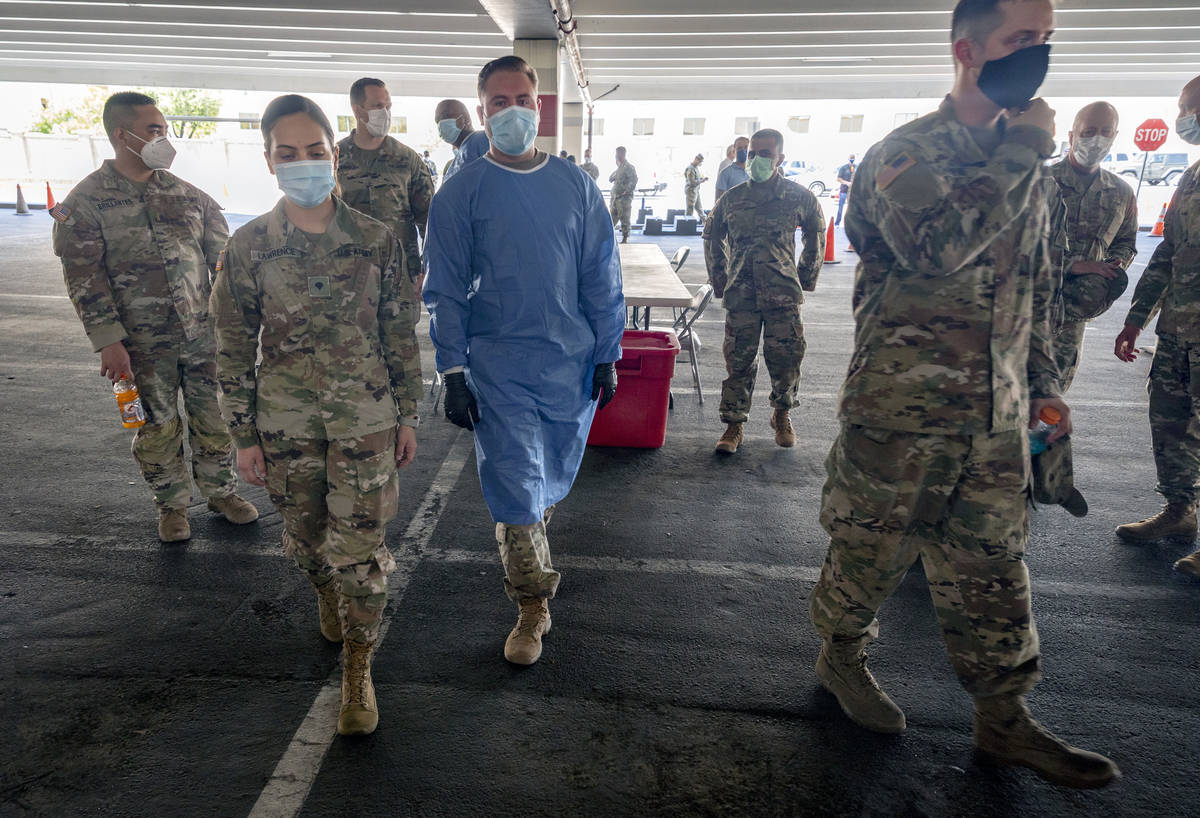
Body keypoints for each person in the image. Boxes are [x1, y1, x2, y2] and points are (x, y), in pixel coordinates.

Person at [807, 0, 1119, 789]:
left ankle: (1003, 718)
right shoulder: (904, 154)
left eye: (1046, 41)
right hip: (900, 417)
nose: (1038, 56)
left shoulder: (1031, 167)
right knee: (868, 558)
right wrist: (1021, 151)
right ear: (966, 50)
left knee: (993, 566)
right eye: (1022, 40)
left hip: (997, 419)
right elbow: (939, 245)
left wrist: (1047, 400)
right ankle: (841, 656)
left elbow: (1038, 292)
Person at [211, 94, 422, 737]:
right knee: (306, 542)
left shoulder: (376, 238)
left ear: (334, 154)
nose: (303, 163)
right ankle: (325, 594)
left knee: (359, 551)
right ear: (269, 161)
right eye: (288, 153)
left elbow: (399, 333)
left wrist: (407, 415)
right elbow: (229, 345)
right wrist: (242, 435)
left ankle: (358, 668)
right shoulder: (248, 247)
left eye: (315, 151)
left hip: (364, 422)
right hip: (286, 426)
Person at [423, 55, 625, 667]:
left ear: (540, 106)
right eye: (499, 103)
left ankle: (529, 546)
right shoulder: (461, 193)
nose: (513, 112)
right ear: (481, 110)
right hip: (498, 366)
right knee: (515, 489)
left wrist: (608, 353)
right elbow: (447, 289)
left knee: (548, 483)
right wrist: (452, 370)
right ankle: (532, 604)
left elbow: (600, 275)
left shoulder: (576, 186)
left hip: (569, 362)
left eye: (524, 100)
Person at [52, 91, 257, 543]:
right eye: (153, 130)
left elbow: (224, 264)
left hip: (202, 336)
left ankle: (221, 492)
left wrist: (235, 324)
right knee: (154, 425)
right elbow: (84, 278)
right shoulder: (85, 203)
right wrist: (108, 341)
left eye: (164, 129)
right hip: (139, 346)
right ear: (120, 136)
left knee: (214, 418)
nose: (163, 138)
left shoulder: (188, 196)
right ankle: (171, 505)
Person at [1114, 75, 1200, 569]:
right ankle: (1180, 510)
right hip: (1177, 332)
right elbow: (1167, 253)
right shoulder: (1191, 175)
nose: (1181, 117)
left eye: (1187, 108)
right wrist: (1136, 319)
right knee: (1169, 424)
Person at [703, 129, 824, 454]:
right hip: (742, 292)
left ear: (780, 158)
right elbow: (712, 235)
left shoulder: (798, 196)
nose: (755, 159)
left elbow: (816, 231)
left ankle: (781, 415)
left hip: (782, 294)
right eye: (751, 153)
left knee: (786, 357)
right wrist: (720, 278)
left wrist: (804, 276)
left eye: (763, 153)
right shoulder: (732, 198)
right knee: (738, 360)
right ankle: (733, 425)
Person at [1049, 102, 1136, 392]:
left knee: (1053, 399)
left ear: (1114, 136)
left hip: (1075, 315)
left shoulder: (1121, 192)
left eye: (1105, 132)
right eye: (1089, 131)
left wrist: (1114, 265)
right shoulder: (1040, 182)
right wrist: (1074, 265)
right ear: (1072, 136)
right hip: (1029, 307)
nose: (1097, 139)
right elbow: (1012, 249)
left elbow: (1126, 242)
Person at [335, 78, 432, 308]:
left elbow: (429, 219)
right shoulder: (335, 159)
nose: (386, 113)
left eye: (388, 107)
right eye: (378, 107)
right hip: (346, 276)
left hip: (399, 277)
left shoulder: (407, 159)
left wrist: (426, 268)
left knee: (400, 343)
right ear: (357, 110)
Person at [435, 98, 491, 182]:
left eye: (445, 116)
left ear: (465, 119)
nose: (440, 123)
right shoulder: (459, 157)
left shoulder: (484, 140)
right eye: (437, 120)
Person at [608, 146, 638, 244]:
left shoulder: (629, 167)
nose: (616, 156)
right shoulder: (620, 168)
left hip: (624, 199)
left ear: (622, 154)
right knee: (611, 219)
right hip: (615, 198)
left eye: (617, 153)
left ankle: (625, 239)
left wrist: (626, 191)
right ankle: (609, 238)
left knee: (625, 218)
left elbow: (634, 180)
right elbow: (611, 179)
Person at [834, 154, 856, 227]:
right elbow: (838, 179)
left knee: (852, 209)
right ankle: (837, 223)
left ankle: (851, 225)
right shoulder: (843, 168)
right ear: (848, 158)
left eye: (853, 158)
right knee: (840, 208)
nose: (852, 160)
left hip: (852, 192)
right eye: (851, 158)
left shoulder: (856, 167)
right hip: (844, 191)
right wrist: (846, 183)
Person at [684, 154, 708, 219]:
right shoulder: (691, 169)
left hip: (695, 191)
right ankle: (687, 225)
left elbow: (696, 179)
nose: (700, 163)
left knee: (700, 209)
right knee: (690, 210)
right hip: (691, 192)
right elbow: (692, 182)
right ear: (696, 159)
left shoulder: (695, 168)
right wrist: (701, 181)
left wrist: (702, 179)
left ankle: (707, 223)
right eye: (700, 161)